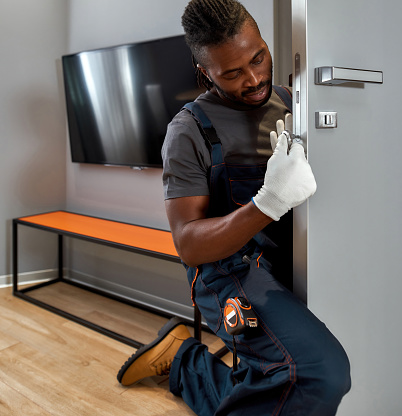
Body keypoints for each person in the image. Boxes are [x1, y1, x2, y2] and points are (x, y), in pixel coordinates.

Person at [117, 1, 351, 415]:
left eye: (258, 57)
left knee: (273, 380)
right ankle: (187, 363)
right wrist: (268, 202)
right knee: (316, 371)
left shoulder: (291, 102)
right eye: (232, 73)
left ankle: (185, 363)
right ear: (205, 71)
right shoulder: (188, 131)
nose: (255, 78)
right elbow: (189, 244)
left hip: (285, 261)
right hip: (227, 272)